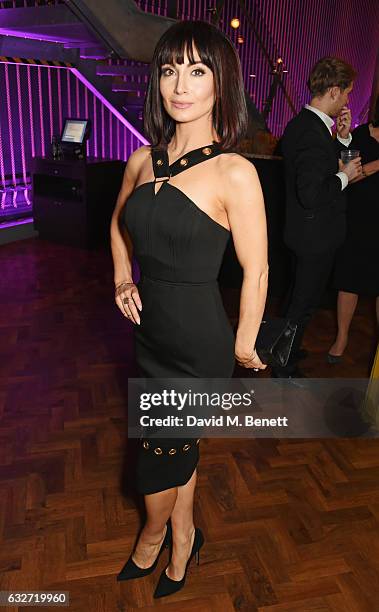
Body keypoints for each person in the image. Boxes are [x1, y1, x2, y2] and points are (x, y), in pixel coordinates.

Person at [109, 20, 268, 599]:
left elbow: (258, 270)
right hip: (150, 336)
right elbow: (118, 223)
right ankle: (183, 536)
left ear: (220, 85)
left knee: (155, 459)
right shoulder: (139, 161)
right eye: (170, 68)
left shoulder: (234, 171)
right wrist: (123, 276)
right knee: (178, 448)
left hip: (200, 342)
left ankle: (152, 538)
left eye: (198, 70)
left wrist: (245, 341)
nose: (181, 84)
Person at [272, 57, 363, 378]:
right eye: (348, 93)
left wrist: (342, 138)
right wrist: (345, 176)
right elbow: (311, 193)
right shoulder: (310, 132)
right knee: (303, 305)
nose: (349, 100)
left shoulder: (308, 126)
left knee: (299, 299)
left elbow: (318, 169)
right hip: (313, 237)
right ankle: (283, 366)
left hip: (305, 233)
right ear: (335, 91)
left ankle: (287, 350)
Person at [328, 96, 379, 362]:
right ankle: (342, 337)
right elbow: (349, 176)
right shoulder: (360, 136)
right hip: (359, 219)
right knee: (350, 280)